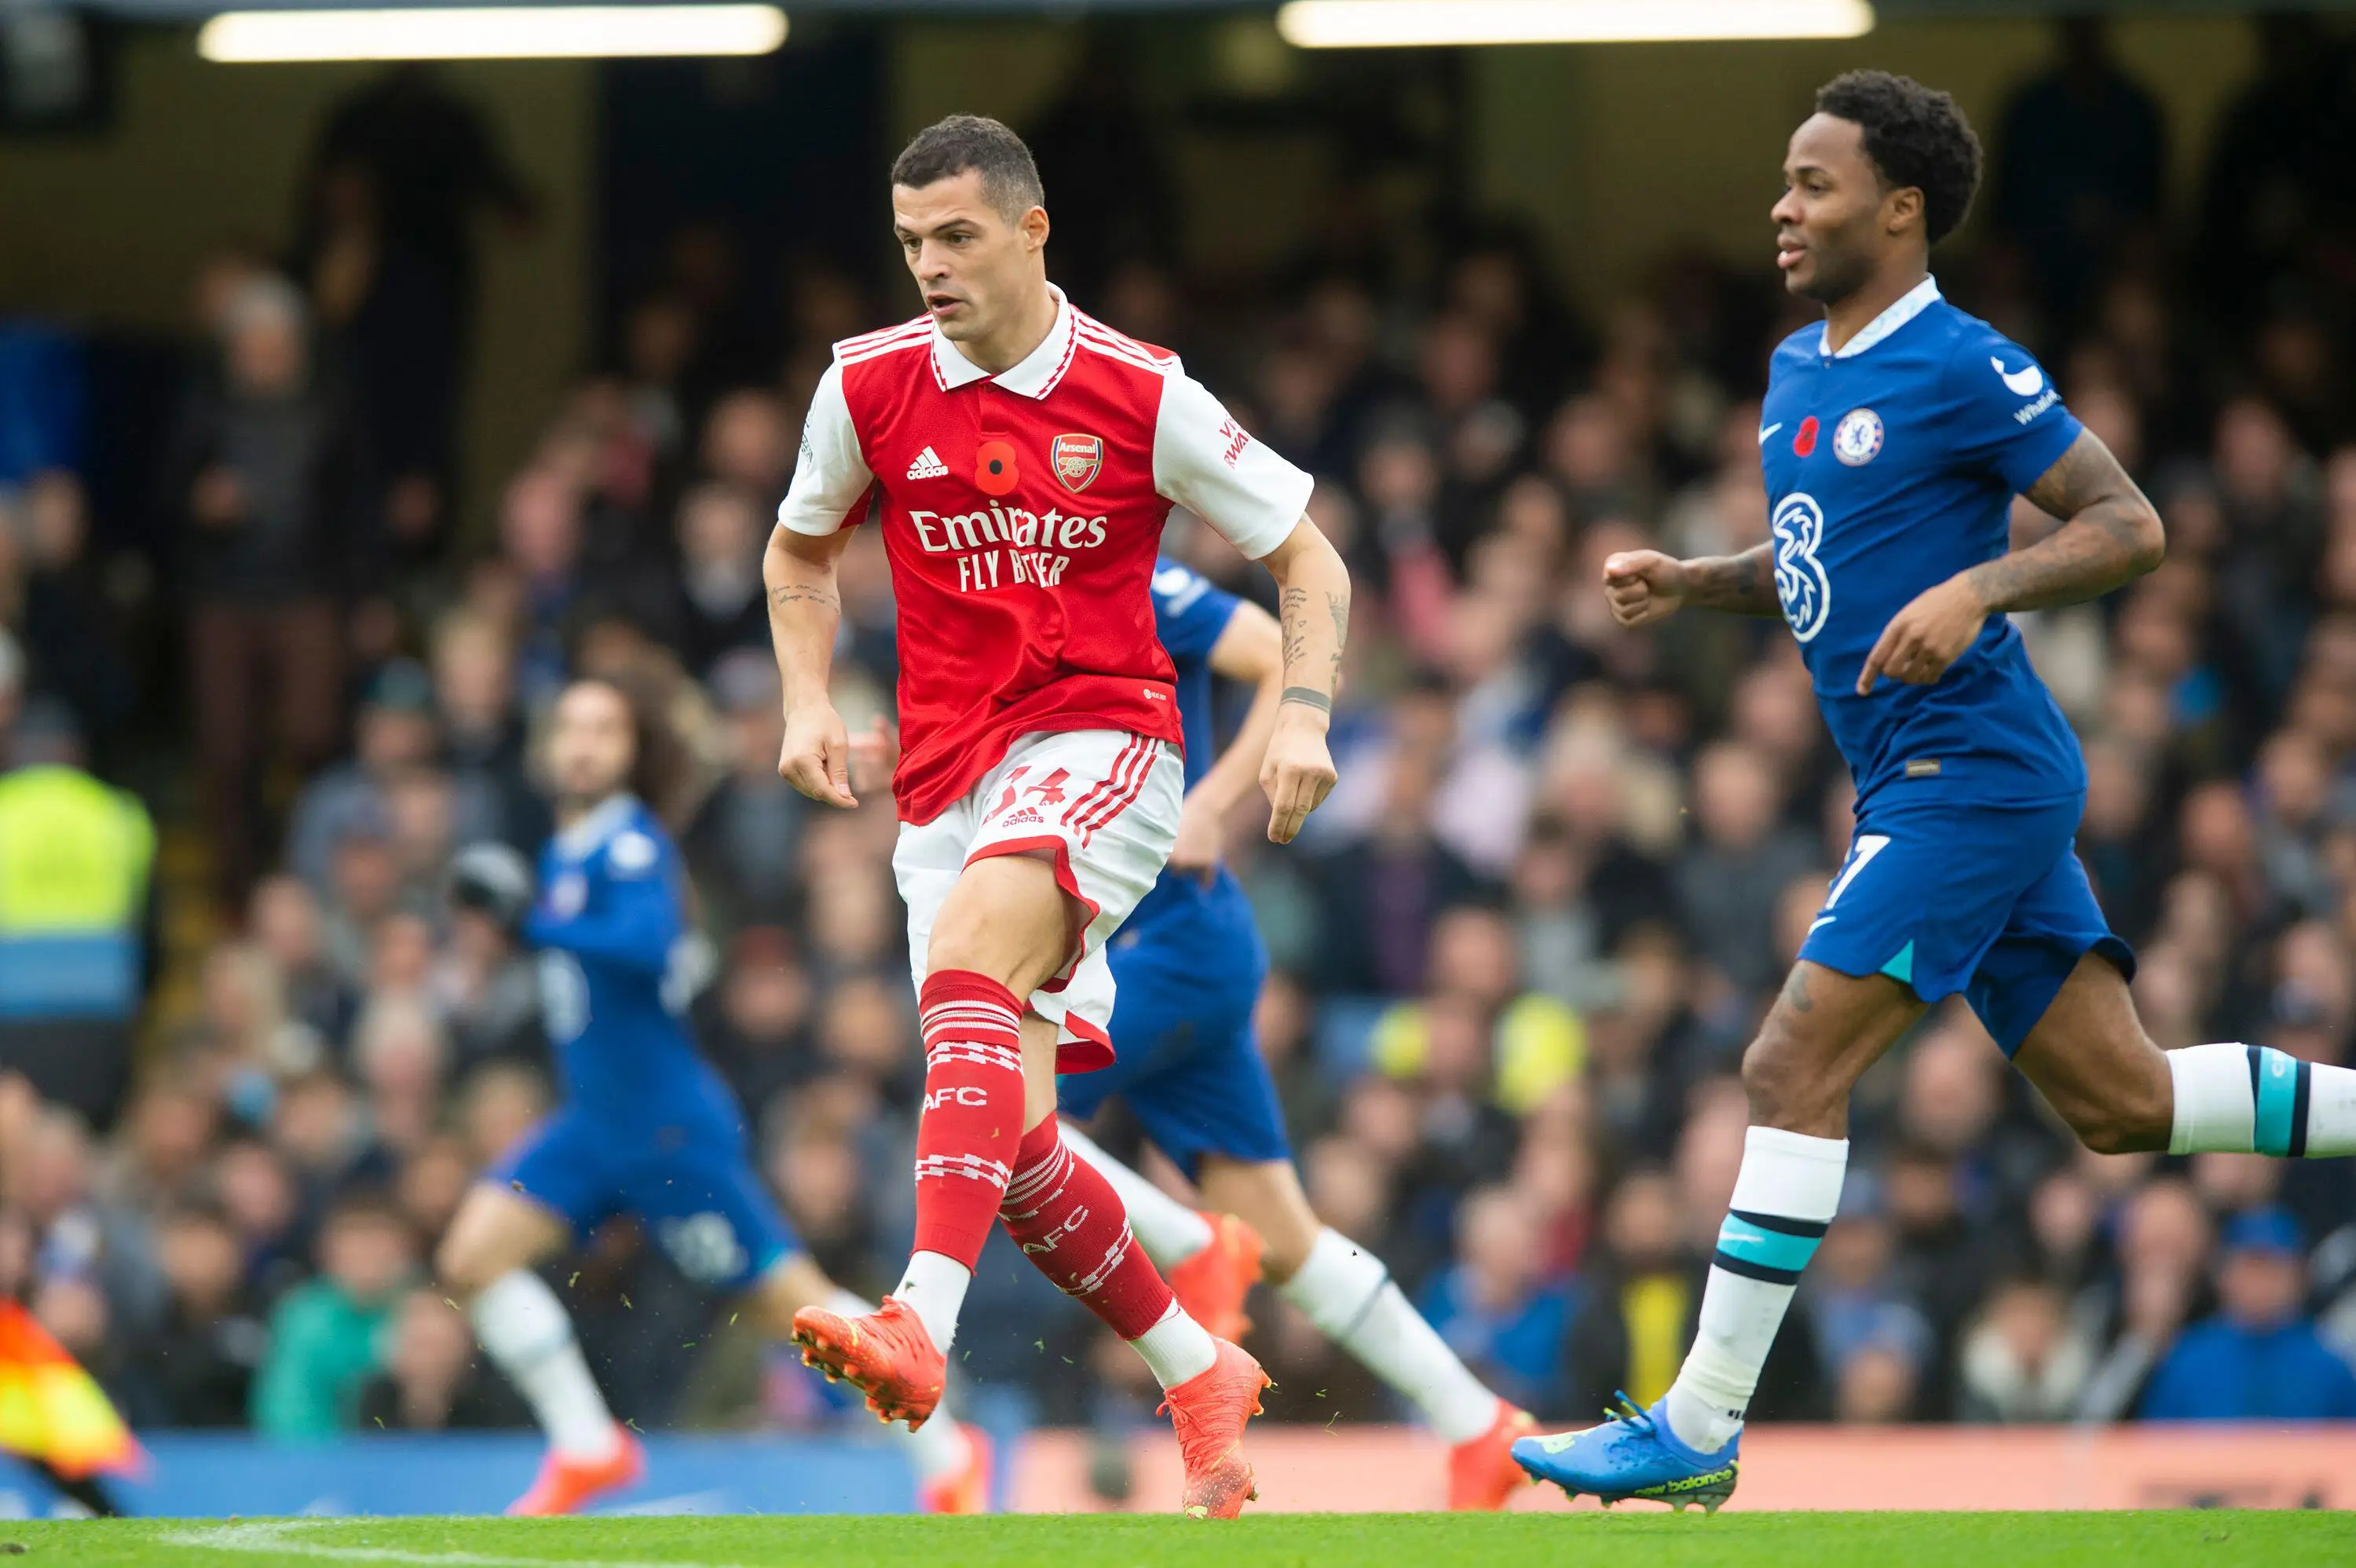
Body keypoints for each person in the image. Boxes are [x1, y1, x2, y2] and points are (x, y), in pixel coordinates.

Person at [1516, 71, 2356, 1511]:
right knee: (2124, 1100)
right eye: (1785, 181)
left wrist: (1982, 583)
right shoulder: (1796, 370)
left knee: (1789, 1067)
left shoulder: (1965, 364)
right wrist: (1698, 579)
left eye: (1816, 185)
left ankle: (1702, 1424)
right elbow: (1818, 565)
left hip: (1971, 773)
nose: (1783, 207)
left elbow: (2129, 525)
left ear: (1901, 212)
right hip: (1930, 778)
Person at [765, 115, 1351, 1519]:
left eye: (957, 235)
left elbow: (1308, 558)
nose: (930, 267)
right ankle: (1197, 1362)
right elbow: (799, 549)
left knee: (972, 961)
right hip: (945, 778)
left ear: (1033, 230)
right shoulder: (867, 387)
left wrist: (1311, 713)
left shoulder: (1141, 392)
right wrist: (801, 700)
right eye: (911, 242)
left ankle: (917, 1318)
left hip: (1106, 744)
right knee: (1013, 1145)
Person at [1040, 557, 1531, 1506]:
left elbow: (1279, 655)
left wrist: (1211, 803)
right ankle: (1478, 1424)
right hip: (1143, 947)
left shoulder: (1125, 568)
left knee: (987, 1106)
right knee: (1288, 1240)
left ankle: (1185, 1242)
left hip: (1164, 937)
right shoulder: (991, 587)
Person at [432, 677, 985, 1516]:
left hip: (665, 1133)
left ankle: (946, 1444)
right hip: (591, 1124)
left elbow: (651, 945)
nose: (582, 743)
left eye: (604, 727)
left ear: (631, 751)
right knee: (468, 1260)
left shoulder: (632, 846)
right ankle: (587, 1444)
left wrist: (530, 924)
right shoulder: (566, 849)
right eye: (569, 726)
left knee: (788, 1307)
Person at [2140, 1208, 2356, 1422]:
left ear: (2298, 1277)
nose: (2260, 1283)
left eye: (2273, 1269)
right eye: (2250, 1268)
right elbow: (2156, 1442)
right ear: (2224, 1275)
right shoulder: (2187, 1359)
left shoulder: (2329, 1366)